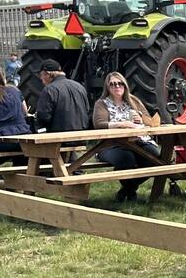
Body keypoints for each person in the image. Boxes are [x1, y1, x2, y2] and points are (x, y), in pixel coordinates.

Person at [91, 72, 161, 202]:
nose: (117, 86)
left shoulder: (133, 100)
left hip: (139, 141)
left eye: (120, 83)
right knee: (126, 160)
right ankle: (130, 192)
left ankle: (127, 189)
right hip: (111, 144)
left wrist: (140, 118)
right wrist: (120, 124)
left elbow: (149, 121)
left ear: (125, 85)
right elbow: (99, 124)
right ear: (107, 87)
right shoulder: (101, 104)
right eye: (112, 84)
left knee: (156, 158)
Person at [34, 58, 90, 131]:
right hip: (81, 134)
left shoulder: (49, 89)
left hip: (59, 136)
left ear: (48, 74)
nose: (41, 79)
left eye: (41, 75)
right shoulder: (79, 86)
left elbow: (44, 116)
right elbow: (87, 110)